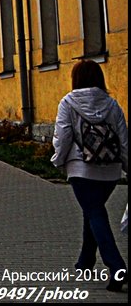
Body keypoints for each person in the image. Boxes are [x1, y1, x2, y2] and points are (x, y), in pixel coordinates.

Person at [51, 59, 128, 292]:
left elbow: (63, 136)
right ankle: (85, 261)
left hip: (81, 170)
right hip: (110, 172)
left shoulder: (68, 103)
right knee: (92, 210)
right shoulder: (112, 105)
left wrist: (57, 160)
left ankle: (117, 269)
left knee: (95, 212)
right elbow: (124, 138)